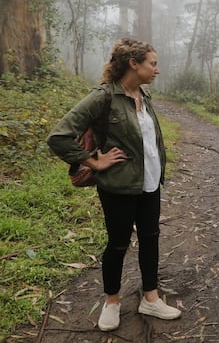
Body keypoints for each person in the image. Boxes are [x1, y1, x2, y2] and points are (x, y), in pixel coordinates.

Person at [47, 38, 181, 332]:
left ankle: (151, 297)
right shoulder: (103, 96)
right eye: (153, 63)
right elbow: (58, 136)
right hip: (118, 186)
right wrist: (93, 161)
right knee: (118, 243)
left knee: (150, 238)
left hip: (150, 183)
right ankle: (111, 302)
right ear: (134, 64)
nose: (157, 70)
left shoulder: (144, 97)